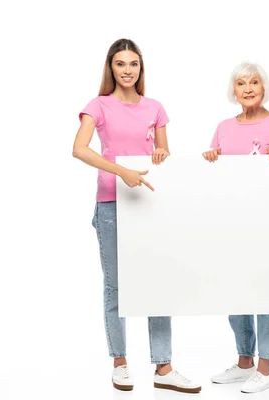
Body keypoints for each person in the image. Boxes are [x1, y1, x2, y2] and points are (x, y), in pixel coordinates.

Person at [72, 38, 201, 394]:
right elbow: (79, 149)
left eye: (133, 64)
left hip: (149, 204)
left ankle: (164, 366)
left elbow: (164, 153)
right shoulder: (97, 106)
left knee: (157, 282)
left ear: (140, 68)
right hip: (112, 203)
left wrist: (160, 156)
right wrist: (119, 170)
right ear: (110, 68)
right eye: (120, 64)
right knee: (116, 285)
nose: (127, 70)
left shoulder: (155, 108)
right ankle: (120, 362)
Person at [203, 61, 269, 394]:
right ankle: (244, 362)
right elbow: (216, 176)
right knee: (235, 287)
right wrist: (209, 158)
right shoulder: (224, 128)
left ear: (264, 87)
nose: (248, 88)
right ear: (234, 91)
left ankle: (266, 367)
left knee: (265, 290)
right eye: (241, 83)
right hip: (232, 223)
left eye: (254, 82)